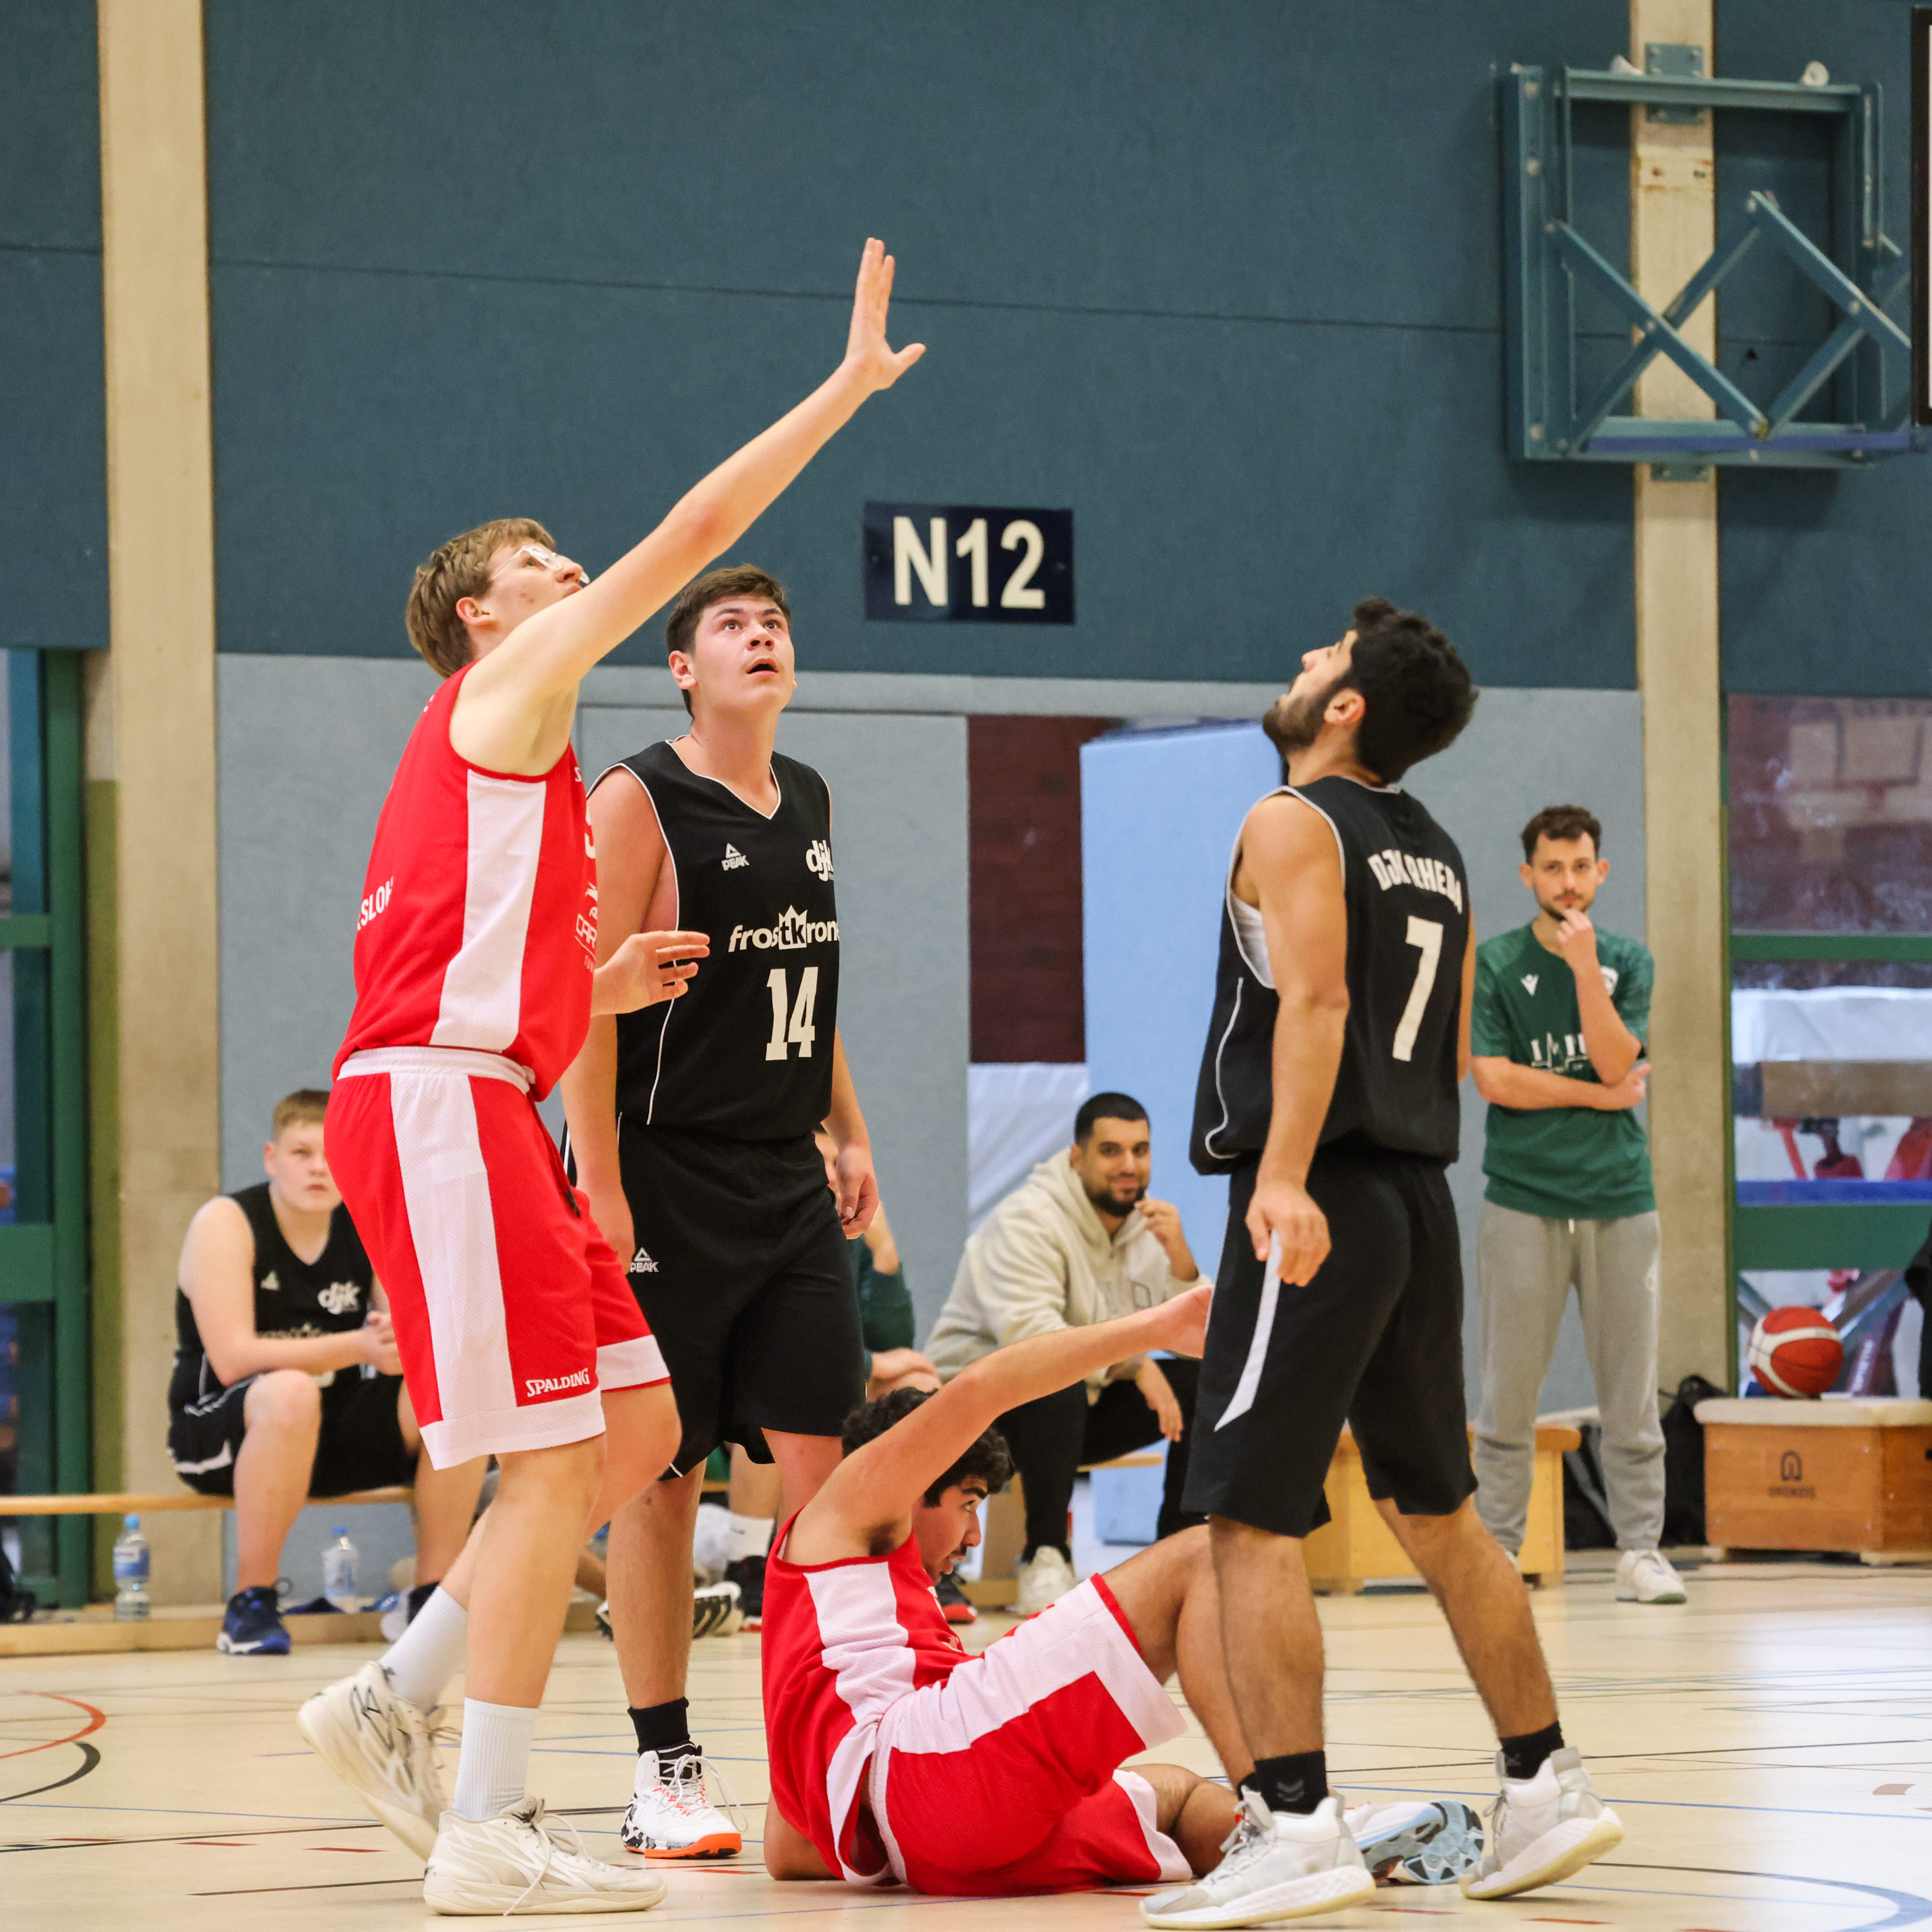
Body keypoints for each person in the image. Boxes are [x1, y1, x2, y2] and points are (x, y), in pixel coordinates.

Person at [295, 240, 923, 1917]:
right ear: (481, 614)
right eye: (541, 563)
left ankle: (395, 1692)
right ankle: (484, 1818)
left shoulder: (521, 766)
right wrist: (842, 391)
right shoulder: (503, 684)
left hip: (479, 1088)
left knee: (635, 1427)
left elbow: (477, 964)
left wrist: (594, 983)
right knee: (550, 1458)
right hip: (439, 1103)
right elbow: (698, 526)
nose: (573, 572)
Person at [1165, 599, 1624, 1924]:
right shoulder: (1431, 847)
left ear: (1346, 704)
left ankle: (1295, 1819)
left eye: (1320, 657)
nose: (1300, 660)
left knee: (1244, 1515)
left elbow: (1315, 1002)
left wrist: (1280, 1174)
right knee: (1438, 1510)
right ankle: (1543, 1782)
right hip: (1417, 1201)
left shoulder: (1289, 819)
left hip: (1321, 1193)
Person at [759, 1289, 1483, 1897]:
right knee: (1205, 1556)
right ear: (913, 1476)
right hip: (928, 1777)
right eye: (969, 1502)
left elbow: (786, 1849)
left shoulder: (840, 1630)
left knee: (1175, 1793)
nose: (974, 1535)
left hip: (937, 1847)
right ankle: (1296, 1824)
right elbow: (982, 1388)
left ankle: (1336, 1836)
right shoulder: (845, 1510)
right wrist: (1158, 1327)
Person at [556, 561, 885, 1863]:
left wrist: (849, 1127)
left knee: (825, 1467)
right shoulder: (635, 796)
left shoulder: (809, 794)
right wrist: (599, 1182)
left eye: (775, 624)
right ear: (683, 668)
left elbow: (809, 977)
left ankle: (844, 1750)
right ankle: (663, 1768)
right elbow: (582, 1000)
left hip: (784, 1171)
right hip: (663, 1169)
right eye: (733, 626)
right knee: (663, 1472)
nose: (763, 637)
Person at [169, 1090, 487, 1656]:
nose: (319, 1167)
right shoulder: (227, 1222)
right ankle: (250, 1603)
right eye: (302, 1152)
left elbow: (402, 1333)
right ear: (271, 1158)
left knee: (450, 1391)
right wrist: (358, 1345)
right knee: (290, 1392)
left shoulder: (366, 1222)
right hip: (221, 1429)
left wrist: (410, 1341)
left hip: (327, 1429)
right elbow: (233, 1358)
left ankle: (432, 1600)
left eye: (333, 1153)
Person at [1469, 805, 1681, 1605]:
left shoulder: (1627, 959)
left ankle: (1640, 1551)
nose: (1567, 882)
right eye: (1552, 868)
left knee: (1631, 1391)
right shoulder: (1496, 962)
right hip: (1523, 1197)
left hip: (1619, 1197)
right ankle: (1497, 1549)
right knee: (1508, 1392)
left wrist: (1586, 967)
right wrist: (1597, 1099)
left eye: (1581, 866)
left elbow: (1617, 1058)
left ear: (1601, 872)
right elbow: (1494, 1078)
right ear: (1528, 874)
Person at [927, 1091, 1203, 1615]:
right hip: (978, 1412)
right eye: (1111, 1151)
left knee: (1204, 1386)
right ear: (1077, 1158)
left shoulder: (1149, 1229)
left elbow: (1202, 1340)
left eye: (1140, 1150)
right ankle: (1047, 1555)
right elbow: (1032, 1341)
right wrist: (1134, 1364)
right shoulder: (1027, 1220)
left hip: (1077, 1412)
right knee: (1057, 1380)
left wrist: (1183, 1267)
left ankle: (1180, 1553)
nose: (1129, 1166)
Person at [721, 1133, 940, 1635]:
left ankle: (919, 1556)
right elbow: (763, 1342)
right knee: (781, 1396)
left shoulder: (849, 1232)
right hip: (742, 1403)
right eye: (814, 1160)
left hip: (834, 1388)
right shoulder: (760, 1226)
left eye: (835, 1162)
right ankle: (747, 1563)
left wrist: (885, 1253)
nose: (828, 1174)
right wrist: (872, 1363)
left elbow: (895, 1337)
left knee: (918, 1386)